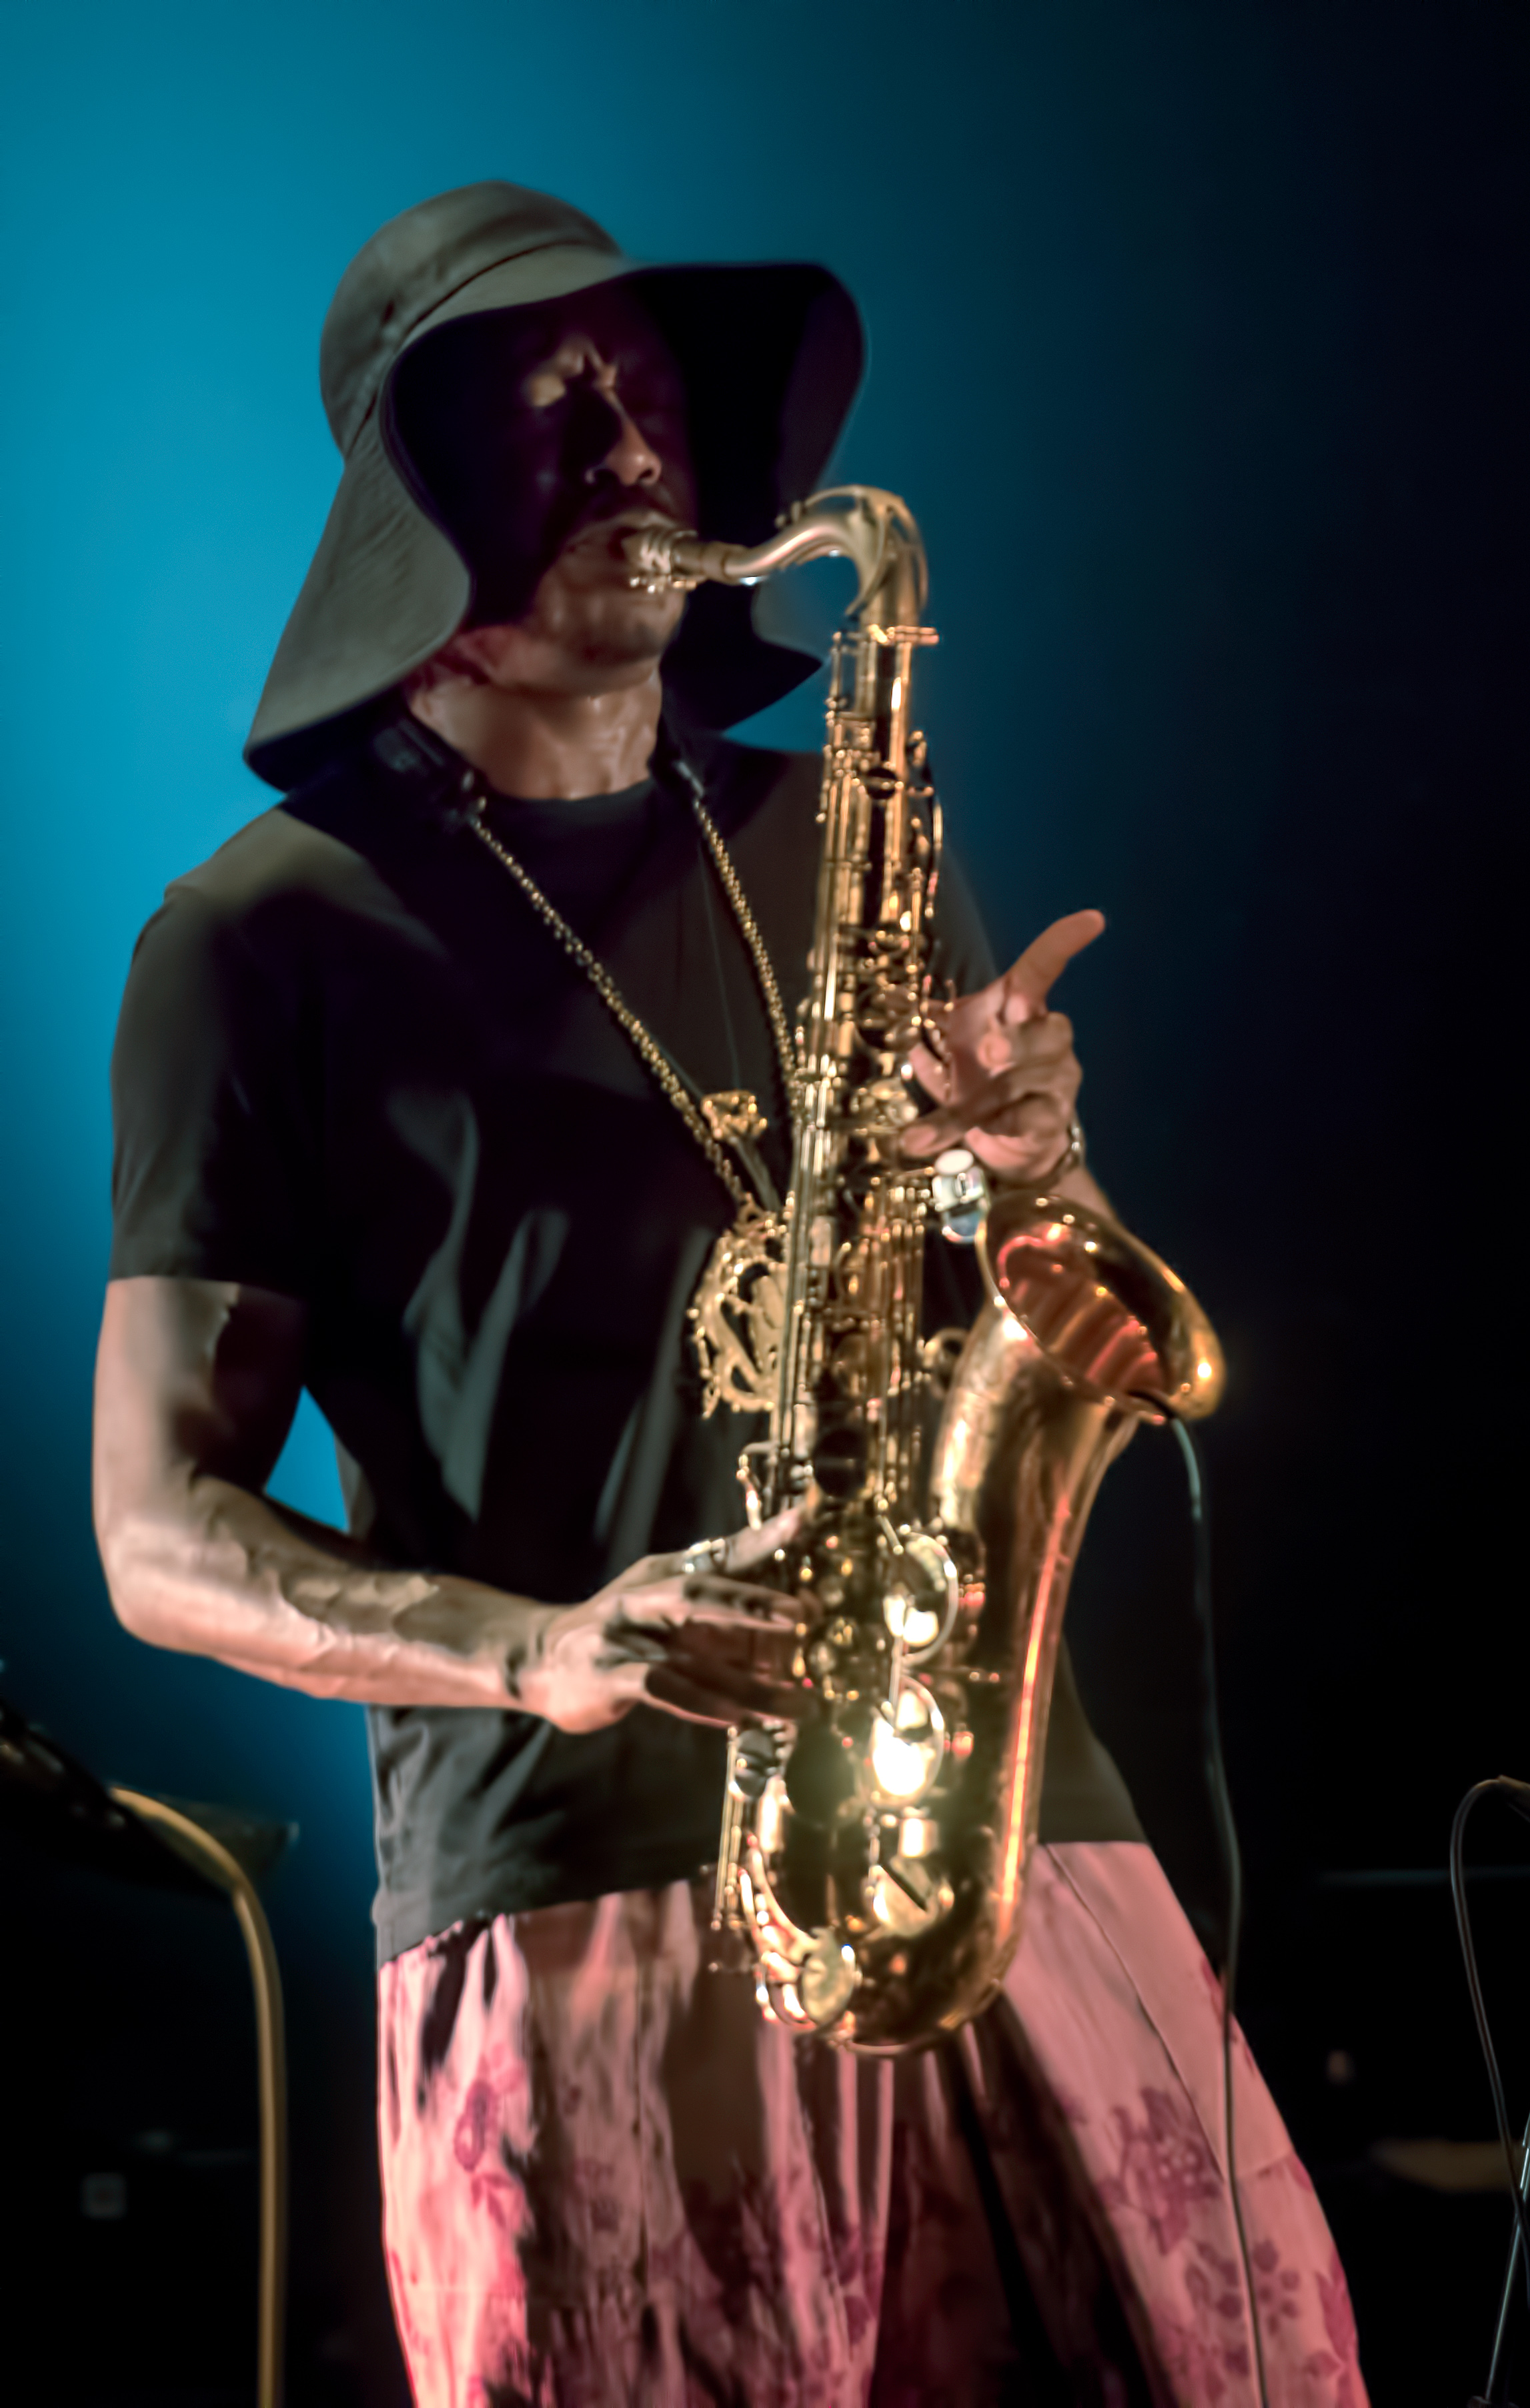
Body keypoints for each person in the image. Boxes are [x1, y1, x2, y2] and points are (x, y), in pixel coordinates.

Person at [94, 183, 1363, 2407]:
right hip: (584, 1891)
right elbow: (156, 1534)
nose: (633, 449)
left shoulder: (837, 822)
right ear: (411, 512)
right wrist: (551, 1651)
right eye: (549, 406)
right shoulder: (260, 938)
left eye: (654, 392)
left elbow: (1016, 1312)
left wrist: (1019, 1175)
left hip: (996, 1830)